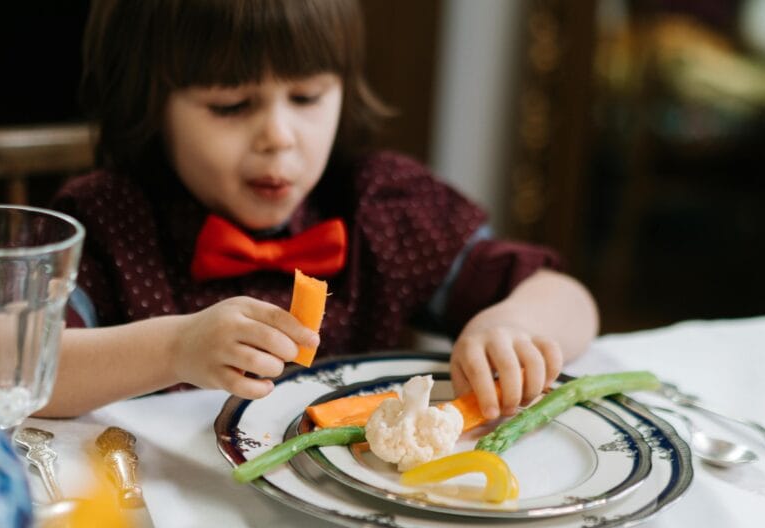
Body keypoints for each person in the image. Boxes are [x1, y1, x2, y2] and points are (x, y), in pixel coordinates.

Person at [40, 0, 598, 420]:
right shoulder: (111, 221)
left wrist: (511, 325)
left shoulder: (381, 209)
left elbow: (567, 297)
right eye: (230, 106)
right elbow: (17, 366)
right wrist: (174, 348)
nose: (279, 137)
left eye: (306, 98)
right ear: (150, 106)